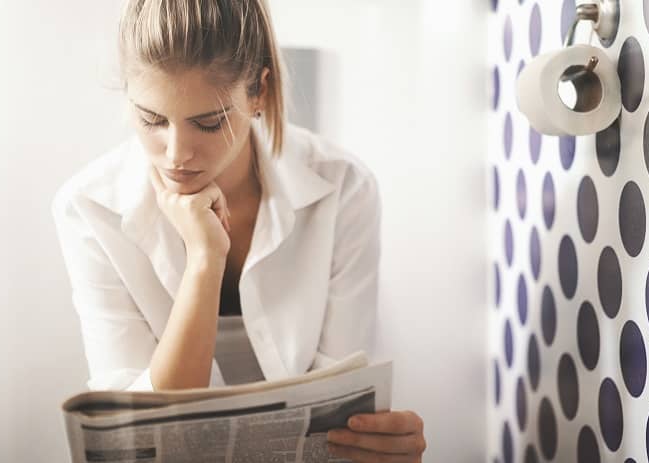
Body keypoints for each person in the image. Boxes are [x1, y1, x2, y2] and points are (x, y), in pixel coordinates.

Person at [51, 0, 426, 460]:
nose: (175, 154)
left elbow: (342, 404)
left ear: (258, 94)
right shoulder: (88, 209)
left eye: (208, 123)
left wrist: (378, 446)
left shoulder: (344, 189)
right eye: (151, 120)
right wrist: (204, 262)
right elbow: (142, 426)